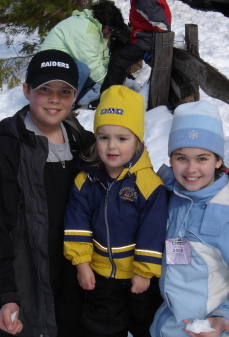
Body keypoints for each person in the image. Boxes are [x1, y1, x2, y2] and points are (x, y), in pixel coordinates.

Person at [0, 49, 95, 337]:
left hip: (72, 275)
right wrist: (5, 294)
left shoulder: (82, 142)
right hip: (27, 280)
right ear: (26, 90)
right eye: (44, 89)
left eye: (65, 91)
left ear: (75, 96)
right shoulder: (6, 149)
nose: (55, 99)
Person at [150, 101, 229, 337]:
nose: (190, 169)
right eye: (181, 158)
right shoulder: (175, 194)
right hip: (172, 325)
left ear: (218, 161)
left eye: (202, 159)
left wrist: (222, 319)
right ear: (170, 159)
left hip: (213, 330)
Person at [63, 85, 168, 337]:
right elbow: (77, 224)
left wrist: (144, 272)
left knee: (146, 324)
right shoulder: (85, 180)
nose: (112, 146)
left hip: (138, 276)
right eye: (103, 137)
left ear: (137, 140)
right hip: (100, 276)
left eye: (122, 138)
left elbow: (153, 232)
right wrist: (82, 264)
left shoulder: (149, 184)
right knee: (104, 326)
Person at [90, 0, 171, 109]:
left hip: (147, 41)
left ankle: (108, 98)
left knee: (118, 61)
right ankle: (116, 91)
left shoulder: (145, 2)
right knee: (118, 52)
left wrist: (158, 47)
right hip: (142, 37)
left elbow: (163, 26)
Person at [40, 1, 124, 105]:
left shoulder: (98, 31)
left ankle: (70, 103)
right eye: (110, 29)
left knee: (93, 72)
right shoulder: (84, 29)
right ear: (103, 22)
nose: (111, 33)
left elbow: (103, 60)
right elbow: (92, 63)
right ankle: (60, 104)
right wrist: (113, 84)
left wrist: (114, 77)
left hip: (61, 67)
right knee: (84, 69)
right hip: (46, 69)